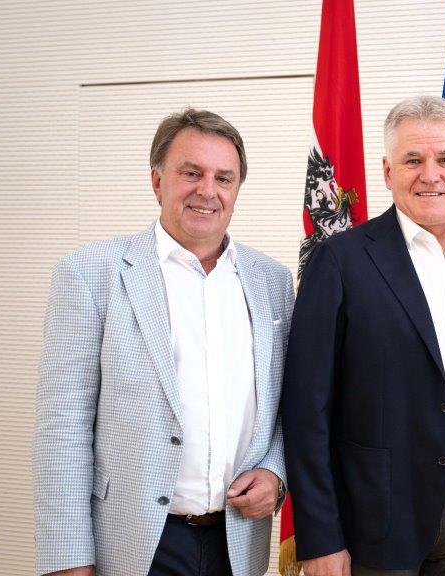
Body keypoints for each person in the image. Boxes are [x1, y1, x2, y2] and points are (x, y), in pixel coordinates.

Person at [32, 108, 294, 576]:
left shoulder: (272, 281)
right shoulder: (90, 273)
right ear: (157, 181)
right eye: (191, 173)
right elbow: (62, 428)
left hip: (236, 540)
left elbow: (289, 404)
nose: (207, 190)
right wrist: (68, 559)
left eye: (224, 177)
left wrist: (276, 471)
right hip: (133, 543)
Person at [281, 95, 445, 576]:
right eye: (413, 159)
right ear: (388, 171)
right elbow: (306, 408)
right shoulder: (341, 260)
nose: (430, 174)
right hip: (369, 520)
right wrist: (320, 536)